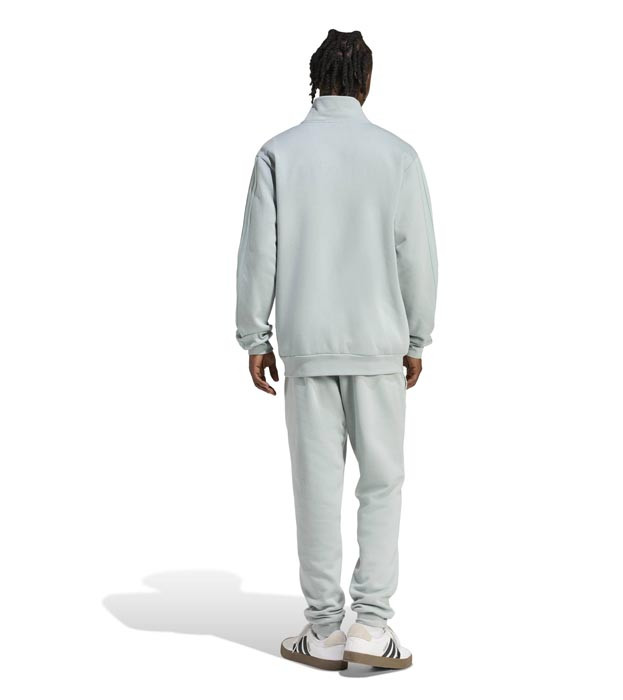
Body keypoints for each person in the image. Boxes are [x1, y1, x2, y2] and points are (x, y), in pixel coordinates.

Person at [235, 29, 438, 671]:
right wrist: (417, 338)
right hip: (379, 347)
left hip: (307, 348)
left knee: (315, 488)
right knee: (382, 484)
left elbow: (259, 251)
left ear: (314, 78)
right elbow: (417, 256)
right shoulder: (397, 155)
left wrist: (254, 335)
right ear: (367, 82)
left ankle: (323, 630)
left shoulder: (278, 153)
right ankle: (370, 627)